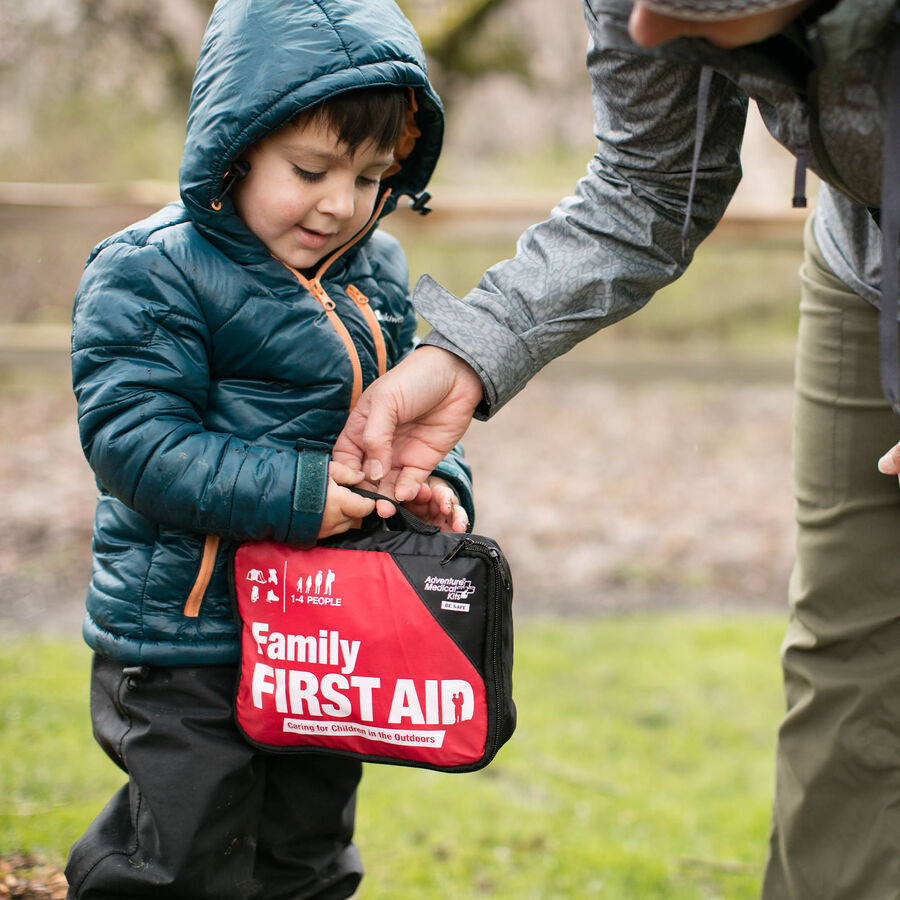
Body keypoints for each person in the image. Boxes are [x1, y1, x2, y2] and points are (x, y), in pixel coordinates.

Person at [334, 1, 900, 897]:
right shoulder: (643, 10)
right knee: (850, 654)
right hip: (863, 252)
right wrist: (467, 352)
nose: (638, 30)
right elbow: (649, 183)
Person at [64, 1, 473, 898]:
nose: (339, 204)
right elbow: (134, 444)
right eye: (310, 168)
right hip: (186, 632)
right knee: (178, 850)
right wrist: (297, 493)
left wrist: (432, 480)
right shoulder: (150, 270)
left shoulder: (379, 273)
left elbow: (404, 411)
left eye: (369, 178)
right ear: (235, 144)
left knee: (308, 846)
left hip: (326, 630)